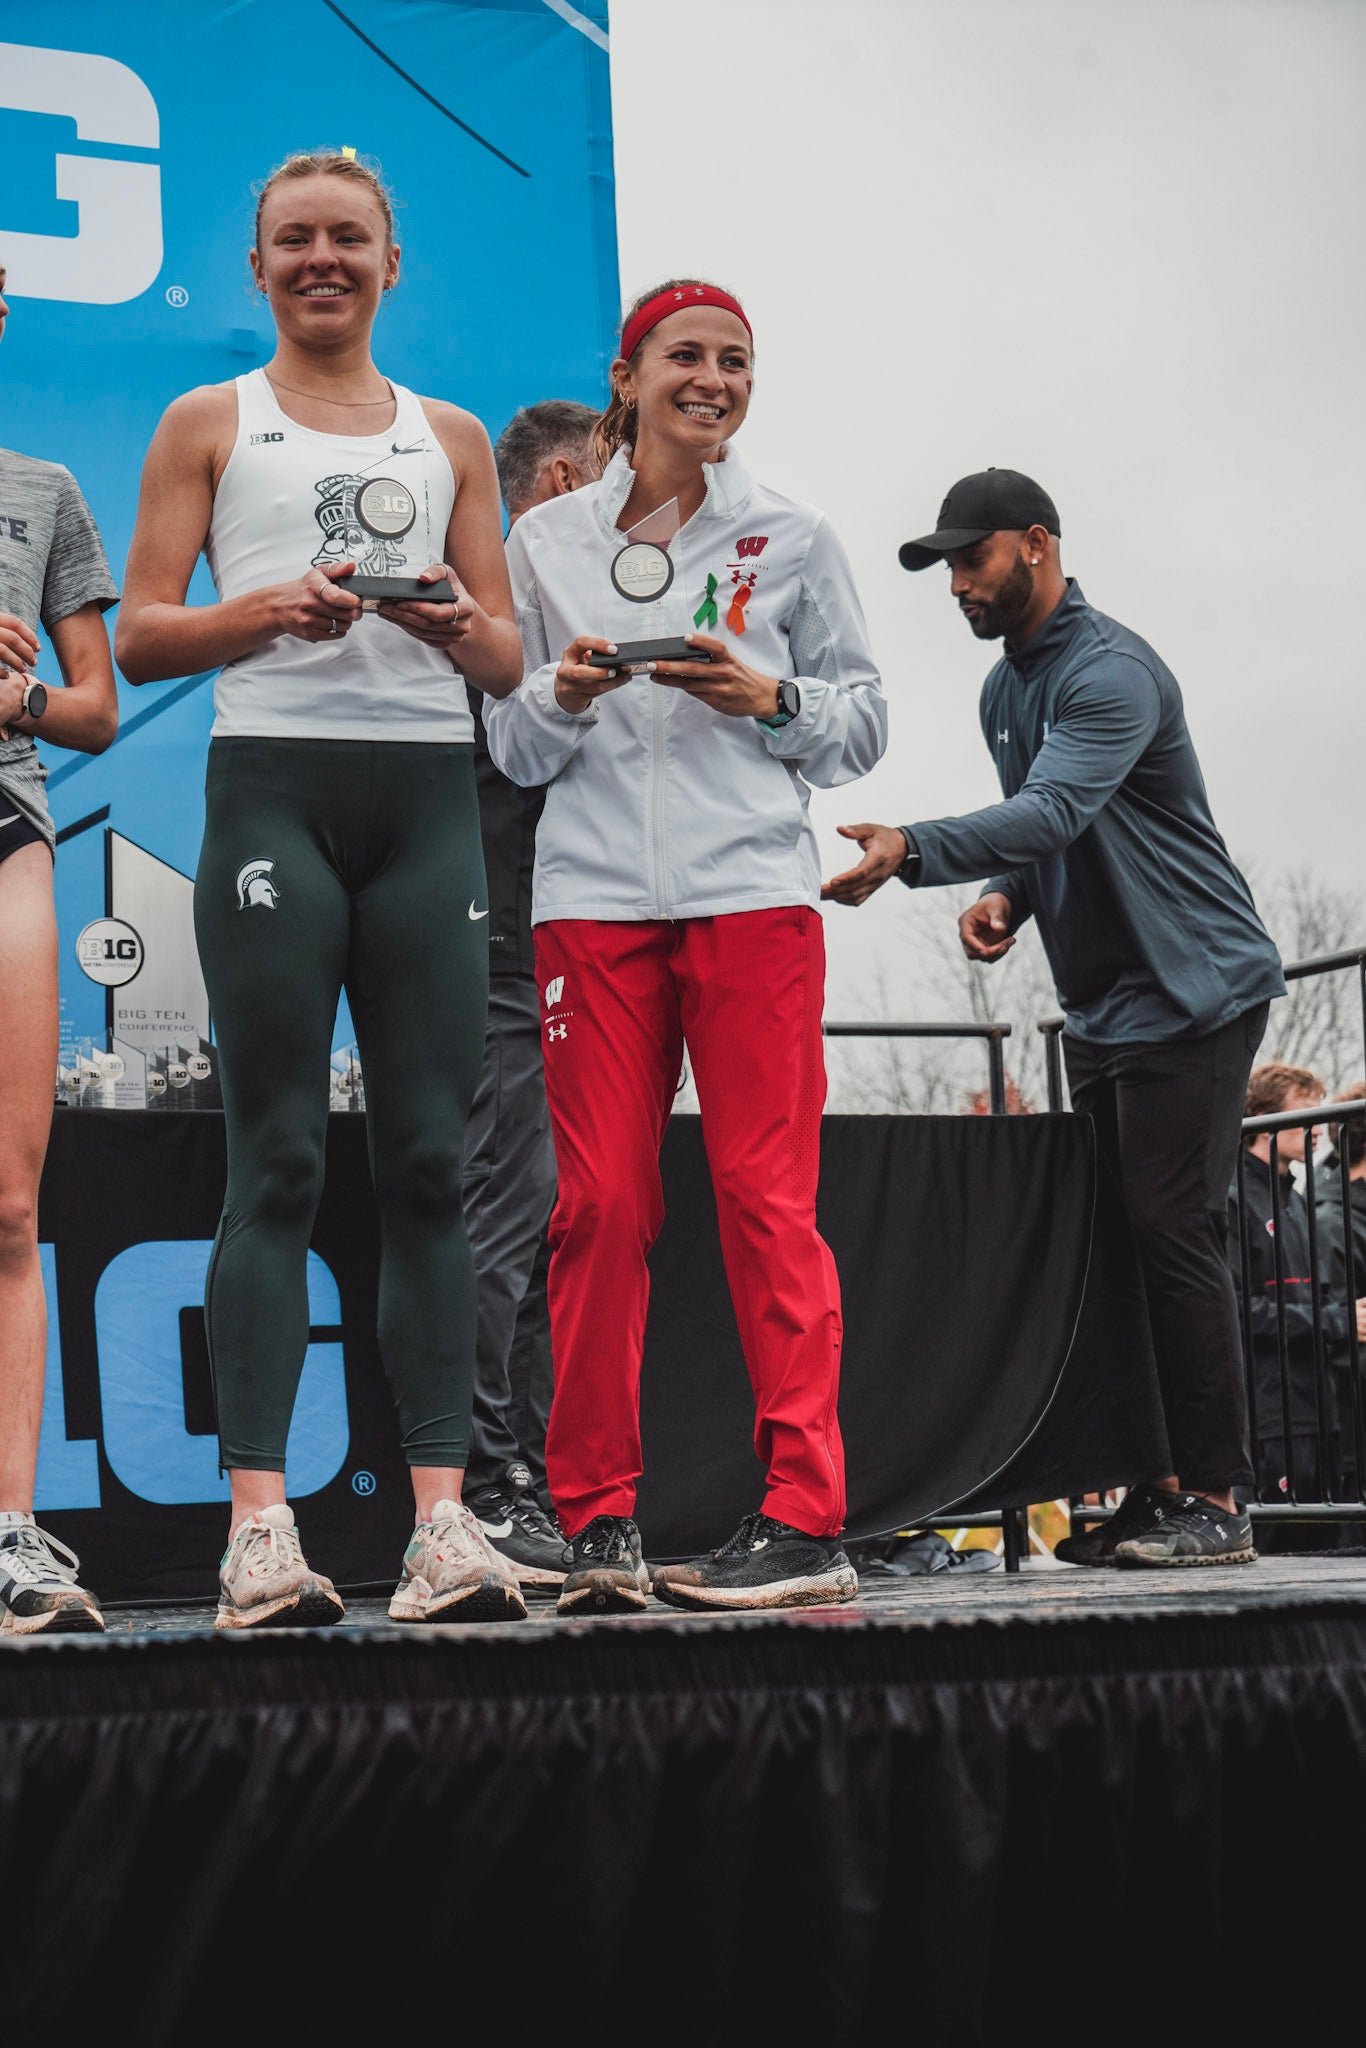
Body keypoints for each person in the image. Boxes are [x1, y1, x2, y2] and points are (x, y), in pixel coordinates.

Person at [116, 152, 526, 1628]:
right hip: (272, 799)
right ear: (258, 265)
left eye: (348, 237)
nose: (321, 260)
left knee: (426, 1164)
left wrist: (447, 623)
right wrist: (267, 610)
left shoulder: (451, 434)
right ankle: (260, 1532)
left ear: (390, 261)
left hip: (423, 806)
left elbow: (505, 661)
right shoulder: (208, 419)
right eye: (293, 239)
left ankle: (440, 1529)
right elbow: (140, 635)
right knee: (277, 1160)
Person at [486, 277, 886, 1614]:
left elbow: (860, 725)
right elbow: (512, 745)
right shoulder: (545, 540)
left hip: (751, 896)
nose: (711, 380)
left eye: (734, 361)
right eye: (685, 357)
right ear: (627, 375)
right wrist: (563, 692)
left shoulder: (795, 535)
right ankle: (597, 1520)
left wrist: (768, 699)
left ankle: (805, 1520)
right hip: (592, 904)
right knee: (600, 1207)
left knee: (767, 1203)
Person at [824, 466, 1285, 1567]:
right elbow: (1050, 833)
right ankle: (1158, 1489)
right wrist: (1007, 897)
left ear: (1036, 543)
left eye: (971, 559)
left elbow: (1056, 807)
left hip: (1195, 990)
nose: (956, 585)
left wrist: (916, 849)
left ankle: (1217, 1502)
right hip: (1106, 1007)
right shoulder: (1004, 691)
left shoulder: (1110, 672)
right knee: (1121, 1249)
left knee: (1174, 1233)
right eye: (946, 567)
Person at [0, 258, 120, 1633]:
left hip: (4, 822)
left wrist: (19, 692)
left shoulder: (42, 491)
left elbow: (95, 709)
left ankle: (10, 1532)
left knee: (9, 1204)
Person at [462, 400, 600, 1586]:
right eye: (609, 479)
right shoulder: (494, 604)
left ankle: (534, 1478)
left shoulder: (551, 602)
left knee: (553, 1229)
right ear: (560, 481)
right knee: (507, 1222)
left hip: (561, 956)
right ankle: (483, 1479)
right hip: (498, 954)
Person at [1234, 1064, 1366, 1534]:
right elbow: (1237, 1313)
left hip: (1318, 1414)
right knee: (1279, 1554)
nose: (1316, 1128)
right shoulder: (1234, 1199)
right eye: (1304, 1113)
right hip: (1270, 1421)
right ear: (1263, 1119)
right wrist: (1340, 1321)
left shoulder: (1295, 1199)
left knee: (1325, 1554)